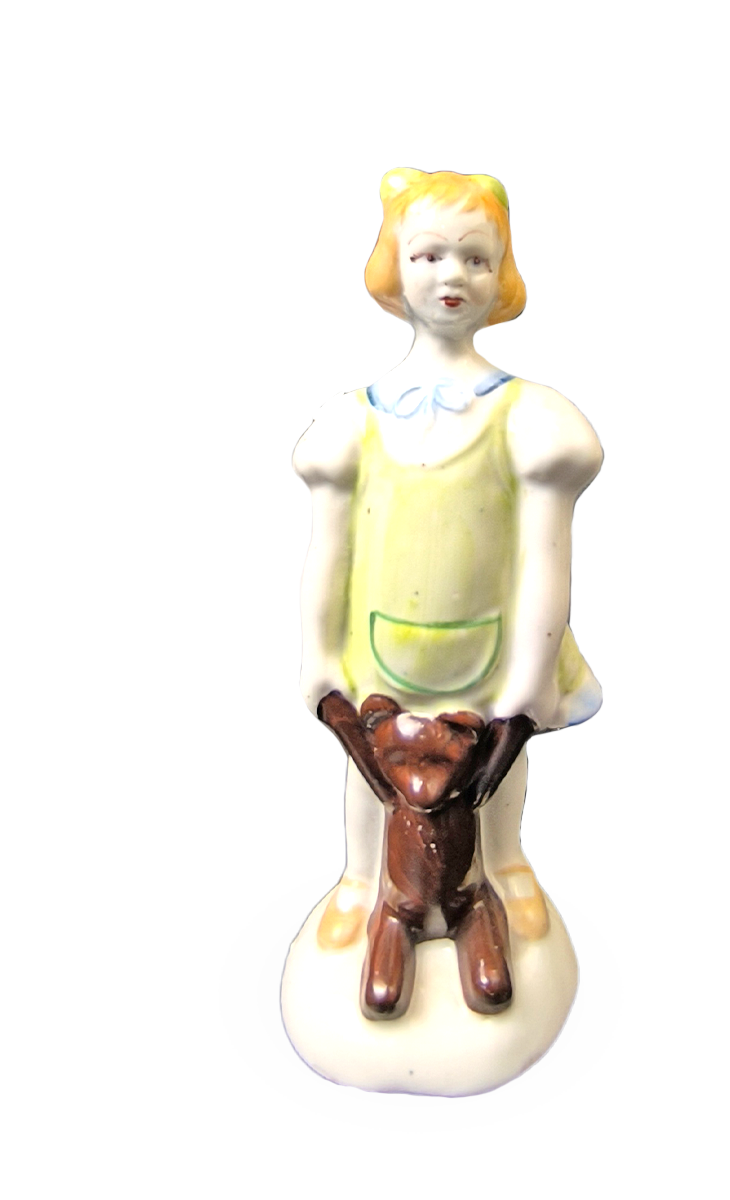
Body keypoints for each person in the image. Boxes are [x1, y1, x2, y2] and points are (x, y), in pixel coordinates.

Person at [293, 168, 602, 951]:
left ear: (501, 276)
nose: (452, 275)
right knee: (373, 768)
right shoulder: (353, 423)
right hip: (378, 642)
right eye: (429, 255)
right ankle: (362, 876)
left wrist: (530, 683)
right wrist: (319, 659)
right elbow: (329, 549)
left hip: (489, 640)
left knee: (494, 766)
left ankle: (505, 865)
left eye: (475, 257)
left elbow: (546, 555)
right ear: (394, 267)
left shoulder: (531, 419)